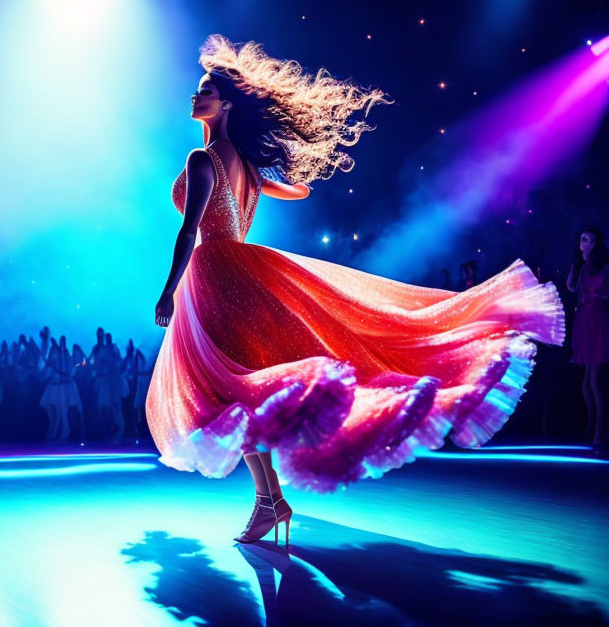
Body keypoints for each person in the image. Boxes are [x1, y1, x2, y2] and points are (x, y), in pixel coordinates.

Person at [146, 36, 565, 546]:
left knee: (230, 392)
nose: (195, 97)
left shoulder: (201, 158)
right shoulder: (247, 166)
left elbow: (189, 232)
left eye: (205, 90)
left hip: (215, 272)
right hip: (241, 270)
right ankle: (269, 502)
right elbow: (297, 190)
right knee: (237, 391)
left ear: (226, 103)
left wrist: (169, 291)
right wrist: (276, 170)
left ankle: (269, 502)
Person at [566, 227, 609, 449]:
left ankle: (600, 431)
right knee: (585, 382)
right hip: (583, 320)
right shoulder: (582, 267)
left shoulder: (604, 266)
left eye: (591, 240)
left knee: (594, 381)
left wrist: (598, 296)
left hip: (597, 320)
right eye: (583, 240)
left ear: (597, 244)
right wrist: (573, 270)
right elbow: (573, 289)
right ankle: (591, 425)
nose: (587, 244)